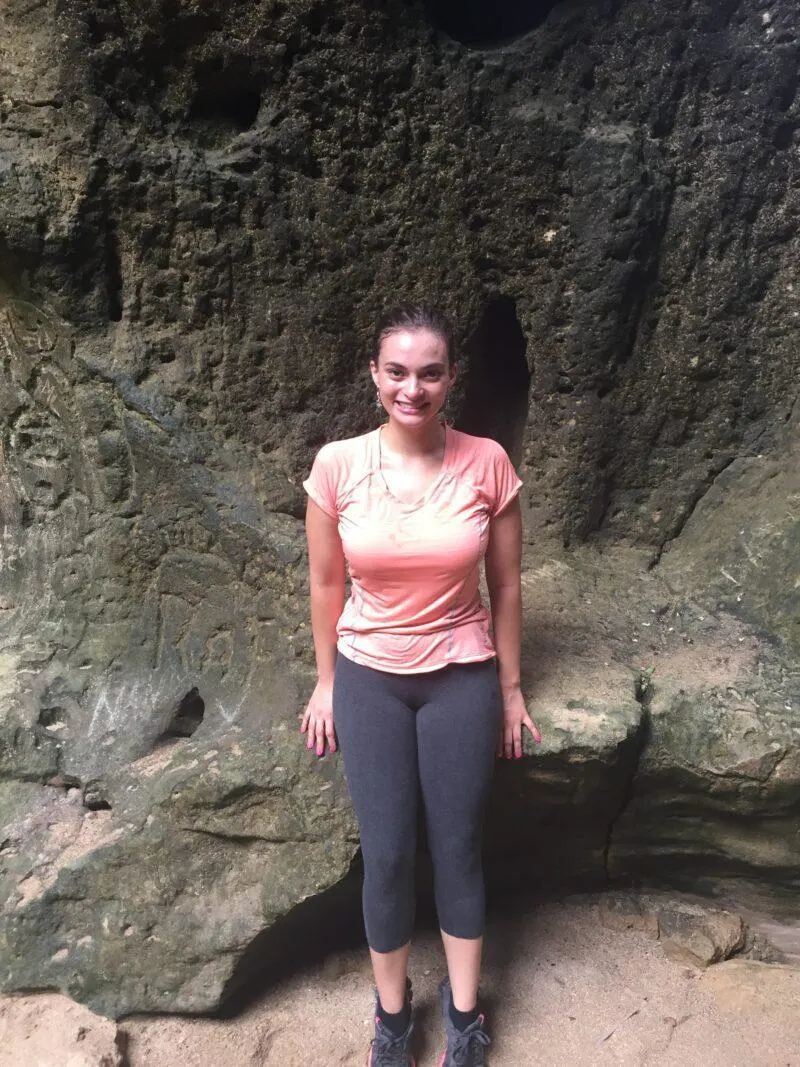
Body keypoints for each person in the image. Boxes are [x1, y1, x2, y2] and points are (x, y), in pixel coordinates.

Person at [301, 303, 540, 1067]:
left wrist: (508, 689)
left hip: (460, 674)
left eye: (429, 372)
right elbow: (324, 583)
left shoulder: (487, 462)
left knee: (459, 846)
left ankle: (466, 1017)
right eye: (397, 371)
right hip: (370, 673)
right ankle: (393, 1017)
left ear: (450, 378)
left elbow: (506, 587)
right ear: (375, 377)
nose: (414, 387)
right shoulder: (338, 465)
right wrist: (325, 682)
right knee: (391, 853)